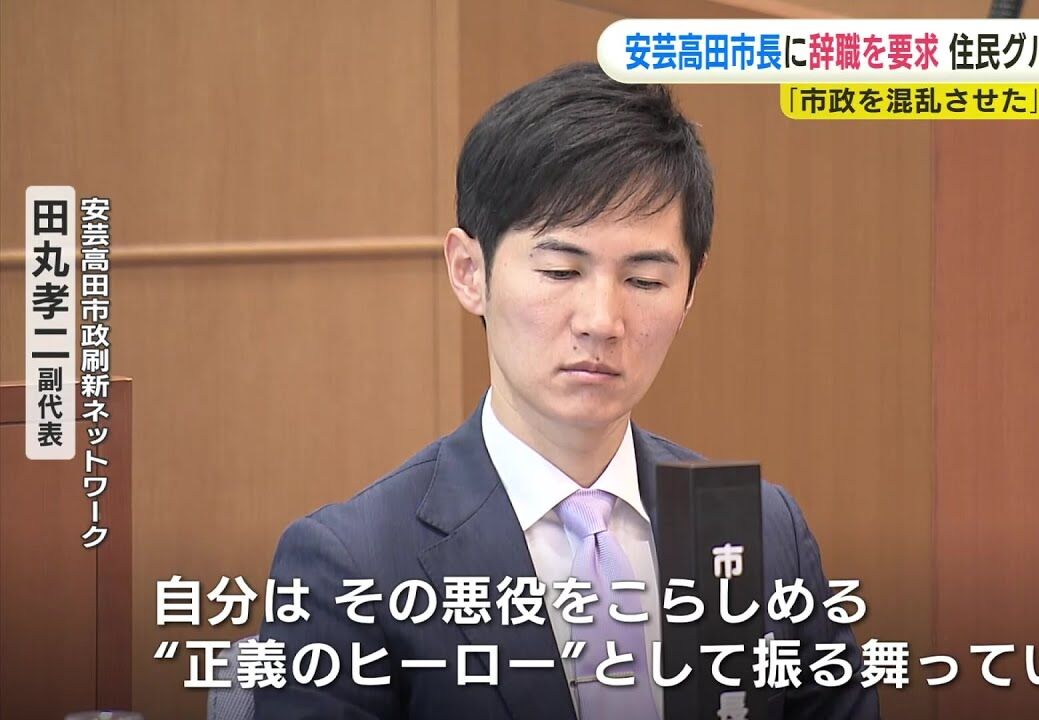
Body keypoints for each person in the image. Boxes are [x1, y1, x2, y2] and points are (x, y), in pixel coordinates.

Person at [256, 62, 879, 720]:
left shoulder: (763, 531)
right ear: (470, 272)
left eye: (645, 281)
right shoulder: (352, 563)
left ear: (690, 292)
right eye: (560, 270)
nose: (602, 321)